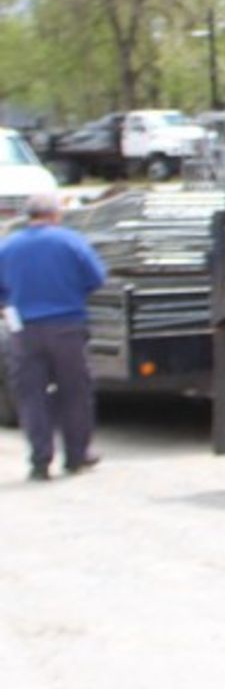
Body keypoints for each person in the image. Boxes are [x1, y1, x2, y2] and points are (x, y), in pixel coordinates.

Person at [0, 191, 107, 481]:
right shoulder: (70, 241)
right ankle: (75, 456)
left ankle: (39, 461)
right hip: (67, 327)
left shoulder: (7, 247)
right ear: (56, 215)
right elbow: (96, 278)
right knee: (74, 392)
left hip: (25, 333)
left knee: (31, 395)